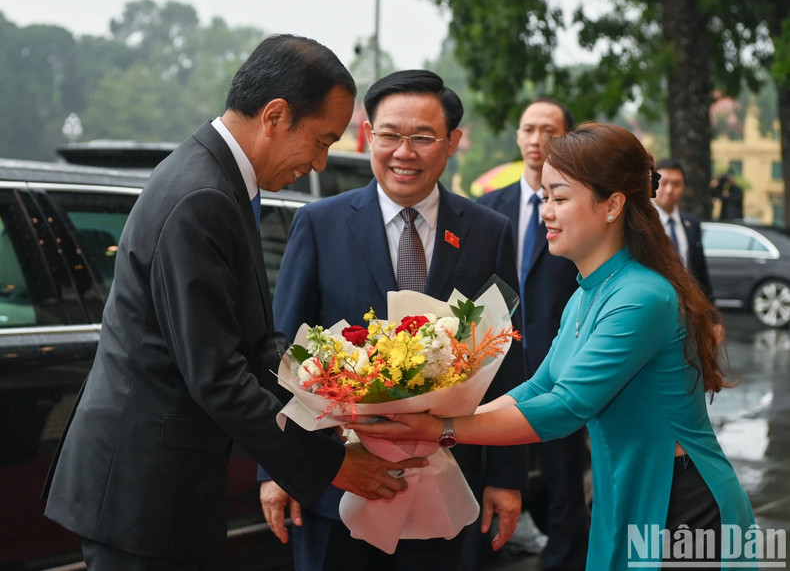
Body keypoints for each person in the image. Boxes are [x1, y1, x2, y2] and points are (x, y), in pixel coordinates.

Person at [42, 34, 424, 570]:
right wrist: (332, 462)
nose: (317, 164)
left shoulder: (218, 180)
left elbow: (251, 343)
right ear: (275, 115)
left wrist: (333, 397)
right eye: (319, 140)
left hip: (164, 486)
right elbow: (216, 373)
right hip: (144, 491)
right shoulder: (203, 195)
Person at [353, 122, 755, 570]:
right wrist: (429, 420)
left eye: (560, 198)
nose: (546, 211)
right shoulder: (587, 292)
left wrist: (442, 430)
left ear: (613, 206)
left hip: (680, 502)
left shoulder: (642, 296)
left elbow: (565, 407)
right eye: (545, 197)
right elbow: (539, 386)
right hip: (627, 489)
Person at [259, 69, 528, 571]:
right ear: (368, 137)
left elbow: (505, 358)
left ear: (452, 143)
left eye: (423, 137)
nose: (405, 152)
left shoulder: (489, 232)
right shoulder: (318, 224)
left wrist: (506, 477)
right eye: (389, 135)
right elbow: (284, 356)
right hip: (335, 482)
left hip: (449, 486)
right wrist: (277, 469)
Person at [477, 97, 589, 571]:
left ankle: (564, 558)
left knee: (563, 473)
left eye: (549, 130)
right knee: (488, 465)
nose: (536, 140)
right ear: (518, 137)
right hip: (490, 362)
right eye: (527, 129)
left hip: (557, 364)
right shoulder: (487, 208)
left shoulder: (580, 209)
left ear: (564, 139)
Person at [654, 158, 713, 298]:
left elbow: (700, 274)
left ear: (684, 187)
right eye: (663, 183)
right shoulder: (639, 224)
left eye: (676, 184)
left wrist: (712, 316)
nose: (669, 190)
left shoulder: (692, 225)